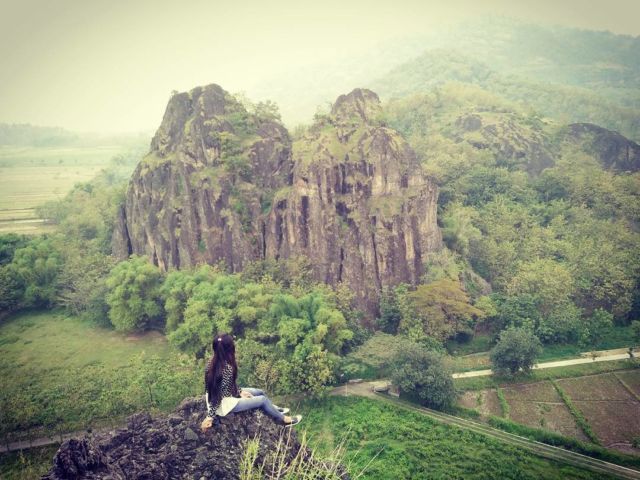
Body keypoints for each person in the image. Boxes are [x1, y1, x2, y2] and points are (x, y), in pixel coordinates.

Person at [201, 333, 301, 432]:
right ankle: (283, 420)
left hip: (223, 395)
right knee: (262, 400)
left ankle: (275, 410)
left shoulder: (212, 362)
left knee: (259, 392)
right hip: (224, 404)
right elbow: (216, 396)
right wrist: (210, 417)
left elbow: (226, 385)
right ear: (229, 349)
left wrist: (240, 392)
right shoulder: (226, 368)